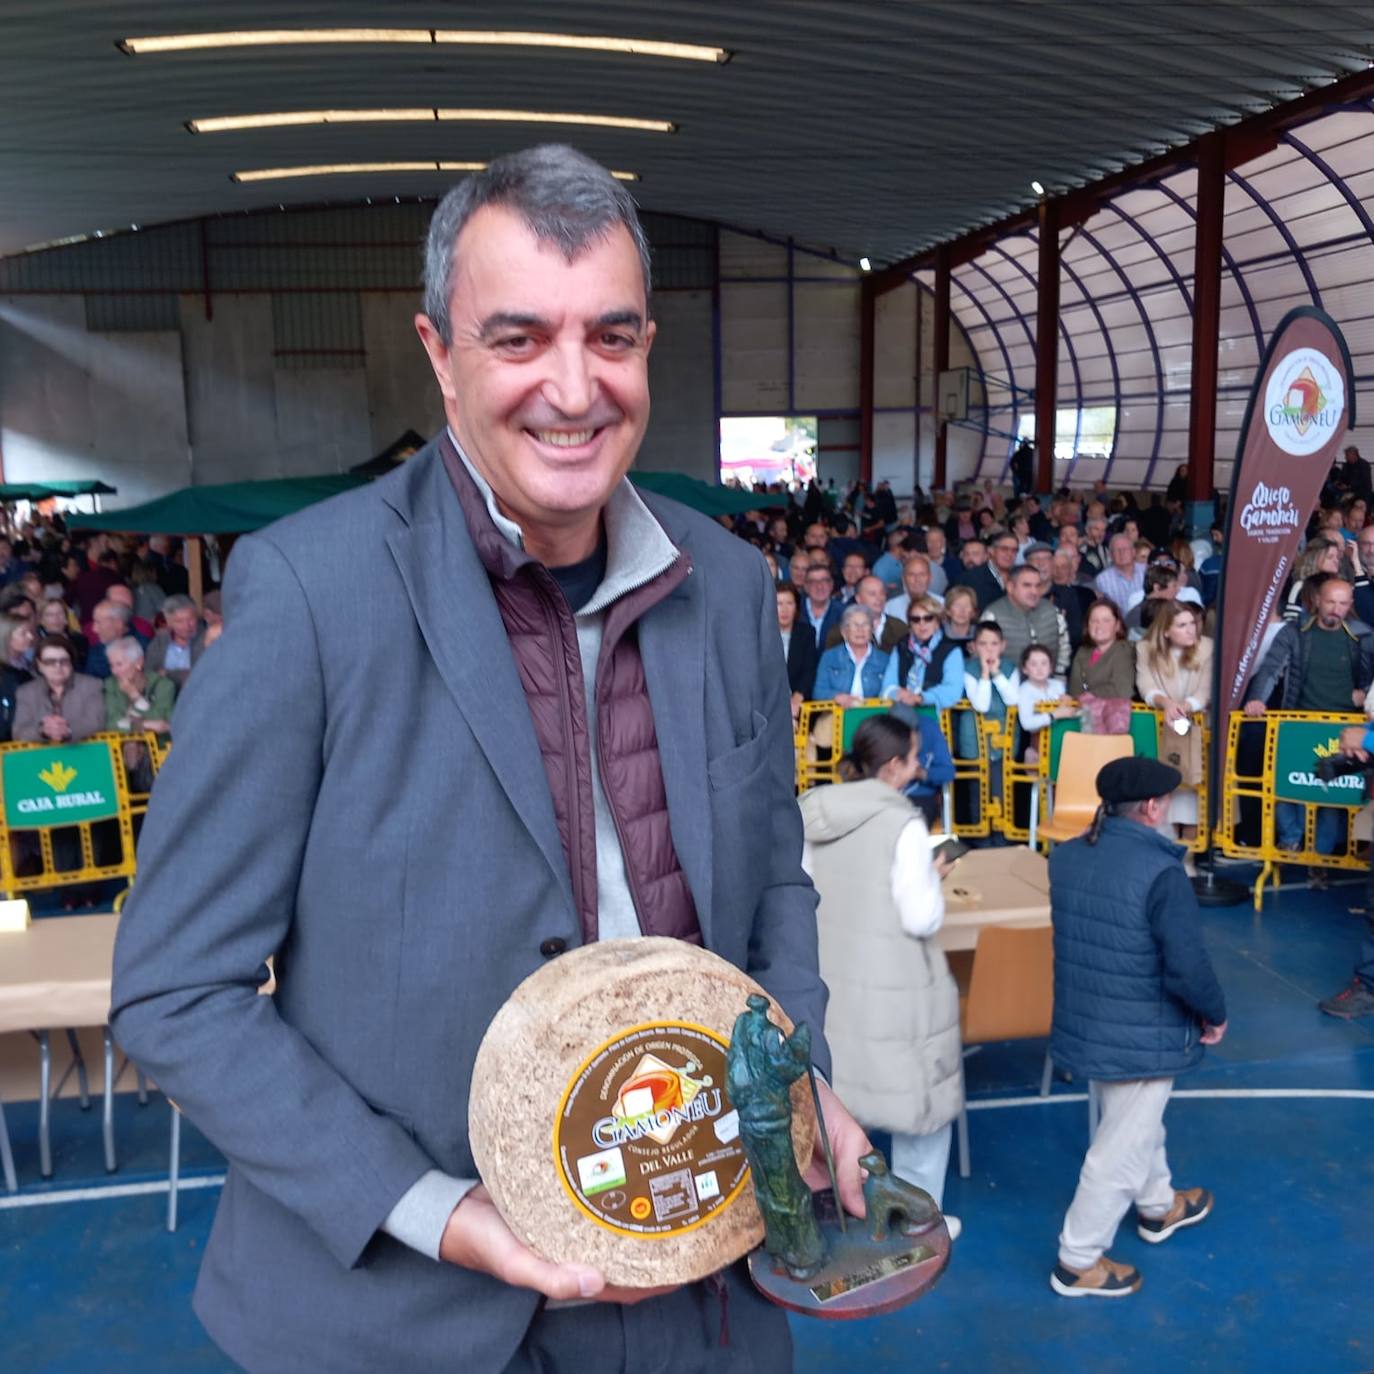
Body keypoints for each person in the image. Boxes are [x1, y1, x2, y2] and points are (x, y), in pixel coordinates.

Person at [110, 145, 868, 1374]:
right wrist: (437, 1213)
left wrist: (798, 1075)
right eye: (519, 339)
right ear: (438, 352)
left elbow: (774, 889)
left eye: (610, 339)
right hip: (415, 1324)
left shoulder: (727, 585)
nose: (574, 389)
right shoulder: (312, 591)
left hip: (699, 1304)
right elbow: (174, 992)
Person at [1049, 758, 1227, 1298]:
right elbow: (1187, 965)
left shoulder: (1066, 856)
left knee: (1133, 1120)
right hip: (1141, 1028)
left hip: (1091, 1017)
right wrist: (1213, 1013)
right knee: (1119, 1148)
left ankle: (1157, 1206)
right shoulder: (1161, 873)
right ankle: (1077, 1260)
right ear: (1151, 808)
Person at [801, 714, 963, 1232]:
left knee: (842, 1100)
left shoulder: (813, 811)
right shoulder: (904, 825)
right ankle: (919, 1218)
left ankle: (844, 1207)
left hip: (830, 979)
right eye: (914, 758)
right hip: (894, 987)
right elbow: (920, 917)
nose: (919, 766)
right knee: (924, 1112)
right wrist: (933, 879)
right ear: (894, 767)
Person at [1245, 578, 1374, 866]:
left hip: (1342, 729)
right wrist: (1258, 699)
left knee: (1329, 793)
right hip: (1296, 723)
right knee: (1286, 787)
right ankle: (1290, 840)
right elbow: (1270, 670)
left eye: (1343, 604)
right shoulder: (1295, 632)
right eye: (1331, 602)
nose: (1336, 609)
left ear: (1351, 605)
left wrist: (1363, 696)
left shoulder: (1363, 636)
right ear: (1316, 600)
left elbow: (1373, 683)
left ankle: (1322, 858)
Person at [1137, 603, 1212, 839]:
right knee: (1164, 795)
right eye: (1182, 625)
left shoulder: (1208, 647)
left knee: (1192, 795)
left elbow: (1205, 691)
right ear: (1166, 631)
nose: (1191, 630)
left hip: (1197, 730)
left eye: (1192, 623)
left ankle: (1189, 856)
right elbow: (1145, 685)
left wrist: (1184, 707)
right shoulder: (1145, 648)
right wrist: (1166, 703)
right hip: (1161, 731)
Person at [11, 635, 104, 743]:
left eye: (64, 661)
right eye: (50, 662)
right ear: (39, 665)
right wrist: (43, 731)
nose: (58, 666)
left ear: (72, 663)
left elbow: (96, 722)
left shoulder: (92, 685)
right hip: (42, 756)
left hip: (85, 753)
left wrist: (66, 730)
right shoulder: (25, 692)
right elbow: (18, 732)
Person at [980, 565, 1070, 674]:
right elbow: (983, 656)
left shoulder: (1052, 611)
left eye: (1038, 586)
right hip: (1006, 686)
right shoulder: (992, 615)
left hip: (1048, 686)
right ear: (1010, 587)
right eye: (1027, 585)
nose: (1034, 591)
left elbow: (1064, 649)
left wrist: (1059, 678)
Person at [880, 595, 964, 710]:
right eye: (916, 619)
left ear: (937, 622)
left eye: (928, 618)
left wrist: (921, 698)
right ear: (910, 624)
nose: (922, 624)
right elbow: (888, 685)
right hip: (901, 709)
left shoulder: (951, 650)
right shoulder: (901, 646)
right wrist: (899, 694)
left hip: (936, 714)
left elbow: (952, 690)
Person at [814, 604, 888, 705]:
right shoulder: (830, 657)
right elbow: (818, 692)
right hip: (837, 712)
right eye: (855, 625)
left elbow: (889, 692)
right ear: (844, 632)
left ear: (872, 630)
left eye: (865, 625)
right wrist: (836, 697)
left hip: (873, 715)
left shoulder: (884, 659)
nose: (860, 630)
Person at [1068, 599, 1136, 701]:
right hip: (1085, 712)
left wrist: (1090, 695)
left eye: (1106, 620)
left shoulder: (1123, 650)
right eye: (1094, 621)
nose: (1099, 626)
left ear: (1117, 625)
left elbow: (1123, 692)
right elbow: (1074, 692)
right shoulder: (1082, 651)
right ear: (1088, 625)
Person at [828, 573, 905, 653]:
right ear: (858, 599)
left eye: (882, 593)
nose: (879, 598)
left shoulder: (899, 628)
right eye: (872, 594)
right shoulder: (840, 632)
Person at [144, 593, 207, 689]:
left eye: (191, 619)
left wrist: (167, 673)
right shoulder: (159, 642)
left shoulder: (207, 639)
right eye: (179, 621)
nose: (187, 626)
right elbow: (149, 674)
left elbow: (204, 674)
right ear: (169, 622)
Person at [776, 581, 817, 716]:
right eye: (779, 604)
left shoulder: (807, 633)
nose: (785, 610)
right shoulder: (761, 635)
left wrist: (798, 695)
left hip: (797, 702)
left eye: (789, 603)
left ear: (797, 607)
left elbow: (809, 670)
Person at [0, 612, 33, 742]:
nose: (30, 637)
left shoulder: (28, 666)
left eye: (30, 632)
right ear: (7, 637)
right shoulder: (10, 677)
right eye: (24, 633)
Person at [964, 531, 1018, 611]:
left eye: (1014, 550)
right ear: (991, 551)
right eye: (1004, 549)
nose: (1009, 554)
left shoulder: (1019, 576)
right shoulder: (970, 578)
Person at [1094, 532, 1146, 613]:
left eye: (1125, 549)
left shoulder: (1147, 571)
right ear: (1110, 555)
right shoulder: (1102, 580)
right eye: (1117, 550)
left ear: (1133, 552)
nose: (1122, 553)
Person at [884, 552, 943, 623]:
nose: (917, 579)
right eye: (911, 575)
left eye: (922, 574)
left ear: (930, 578)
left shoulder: (942, 604)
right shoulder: (890, 608)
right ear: (903, 579)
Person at [802, 562, 844, 650]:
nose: (819, 586)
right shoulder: (795, 610)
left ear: (831, 584)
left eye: (824, 580)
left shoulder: (843, 612)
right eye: (813, 582)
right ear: (806, 587)